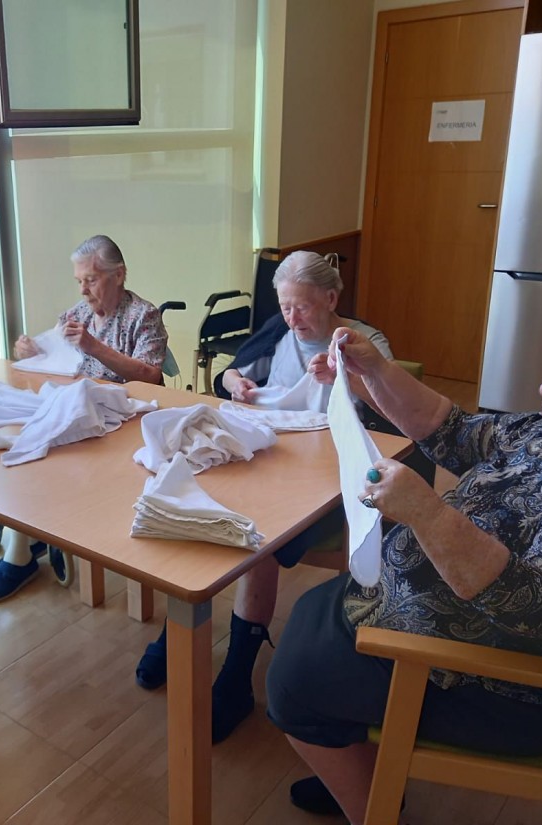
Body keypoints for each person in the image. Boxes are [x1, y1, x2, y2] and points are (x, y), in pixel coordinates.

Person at [265, 316, 542, 823]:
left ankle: (371, 806)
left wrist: (427, 513)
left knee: (295, 685)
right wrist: (377, 372)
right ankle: (356, 769)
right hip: (423, 632)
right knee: (312, 619)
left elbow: (539, 611)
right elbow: (451, 429)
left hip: (505, 692)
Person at [134, 250, 393, 745]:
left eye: (302, 307)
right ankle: (177, 629)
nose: (292, 319)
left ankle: (237, 672)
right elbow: (227, 376)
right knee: (198, 503)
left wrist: (349, 380)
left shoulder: (362, 341)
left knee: (261, 534)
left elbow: (392, 410)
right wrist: (236, 382)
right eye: (285, 306)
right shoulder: (279, 330)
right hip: (268, 456)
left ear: (331, 298)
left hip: (329, 476)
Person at [0, 234, 168, 603]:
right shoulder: (77, 314)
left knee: (41, 448)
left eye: (91, 280)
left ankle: (23, 549)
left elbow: (150, 375)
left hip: (124, 422)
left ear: (118, 275)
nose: (83, 290)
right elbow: (54, 359)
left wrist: (93, 346)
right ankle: (26, 541)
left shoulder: (143, 316)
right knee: (27, 443)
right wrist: (32, 350)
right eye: (79, 281)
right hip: (79, 414)